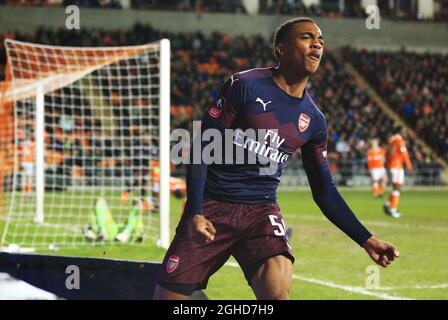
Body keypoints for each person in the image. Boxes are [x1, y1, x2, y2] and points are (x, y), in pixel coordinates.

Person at [154, 17, 400, 300]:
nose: (317, 43)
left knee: (277, 289)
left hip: (261, 212)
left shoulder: (315, 120)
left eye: (320, 39)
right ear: (281, 48)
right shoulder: (244, 85)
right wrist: (195, 212)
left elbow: (324, 191)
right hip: (212, 206)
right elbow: (201, 148)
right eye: (307, 37)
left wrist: (366, 239)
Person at [384, 126, 413, 218]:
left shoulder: (392, 140)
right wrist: (409, 166)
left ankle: (387, 204)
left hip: (392, 166)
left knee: (395, 187)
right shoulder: (399, 140)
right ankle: (393, 210)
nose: (405, 133)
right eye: (404, 131)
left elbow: (387, 153)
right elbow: (404, 154)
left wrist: (387, 165)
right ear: (400, 131)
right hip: (397, 166)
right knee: (397, 187)